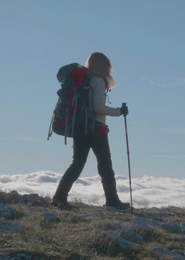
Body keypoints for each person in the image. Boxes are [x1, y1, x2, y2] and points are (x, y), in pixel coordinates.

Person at [52, 52, 130, 210]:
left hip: (79, 127)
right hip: (95, 129)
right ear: (105, 66)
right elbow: (98, 107)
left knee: (77, 164)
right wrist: (119, 111)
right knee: (105, 165)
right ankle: (112, 200)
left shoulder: (84, 80)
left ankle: (59, 197)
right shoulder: (98, 81)